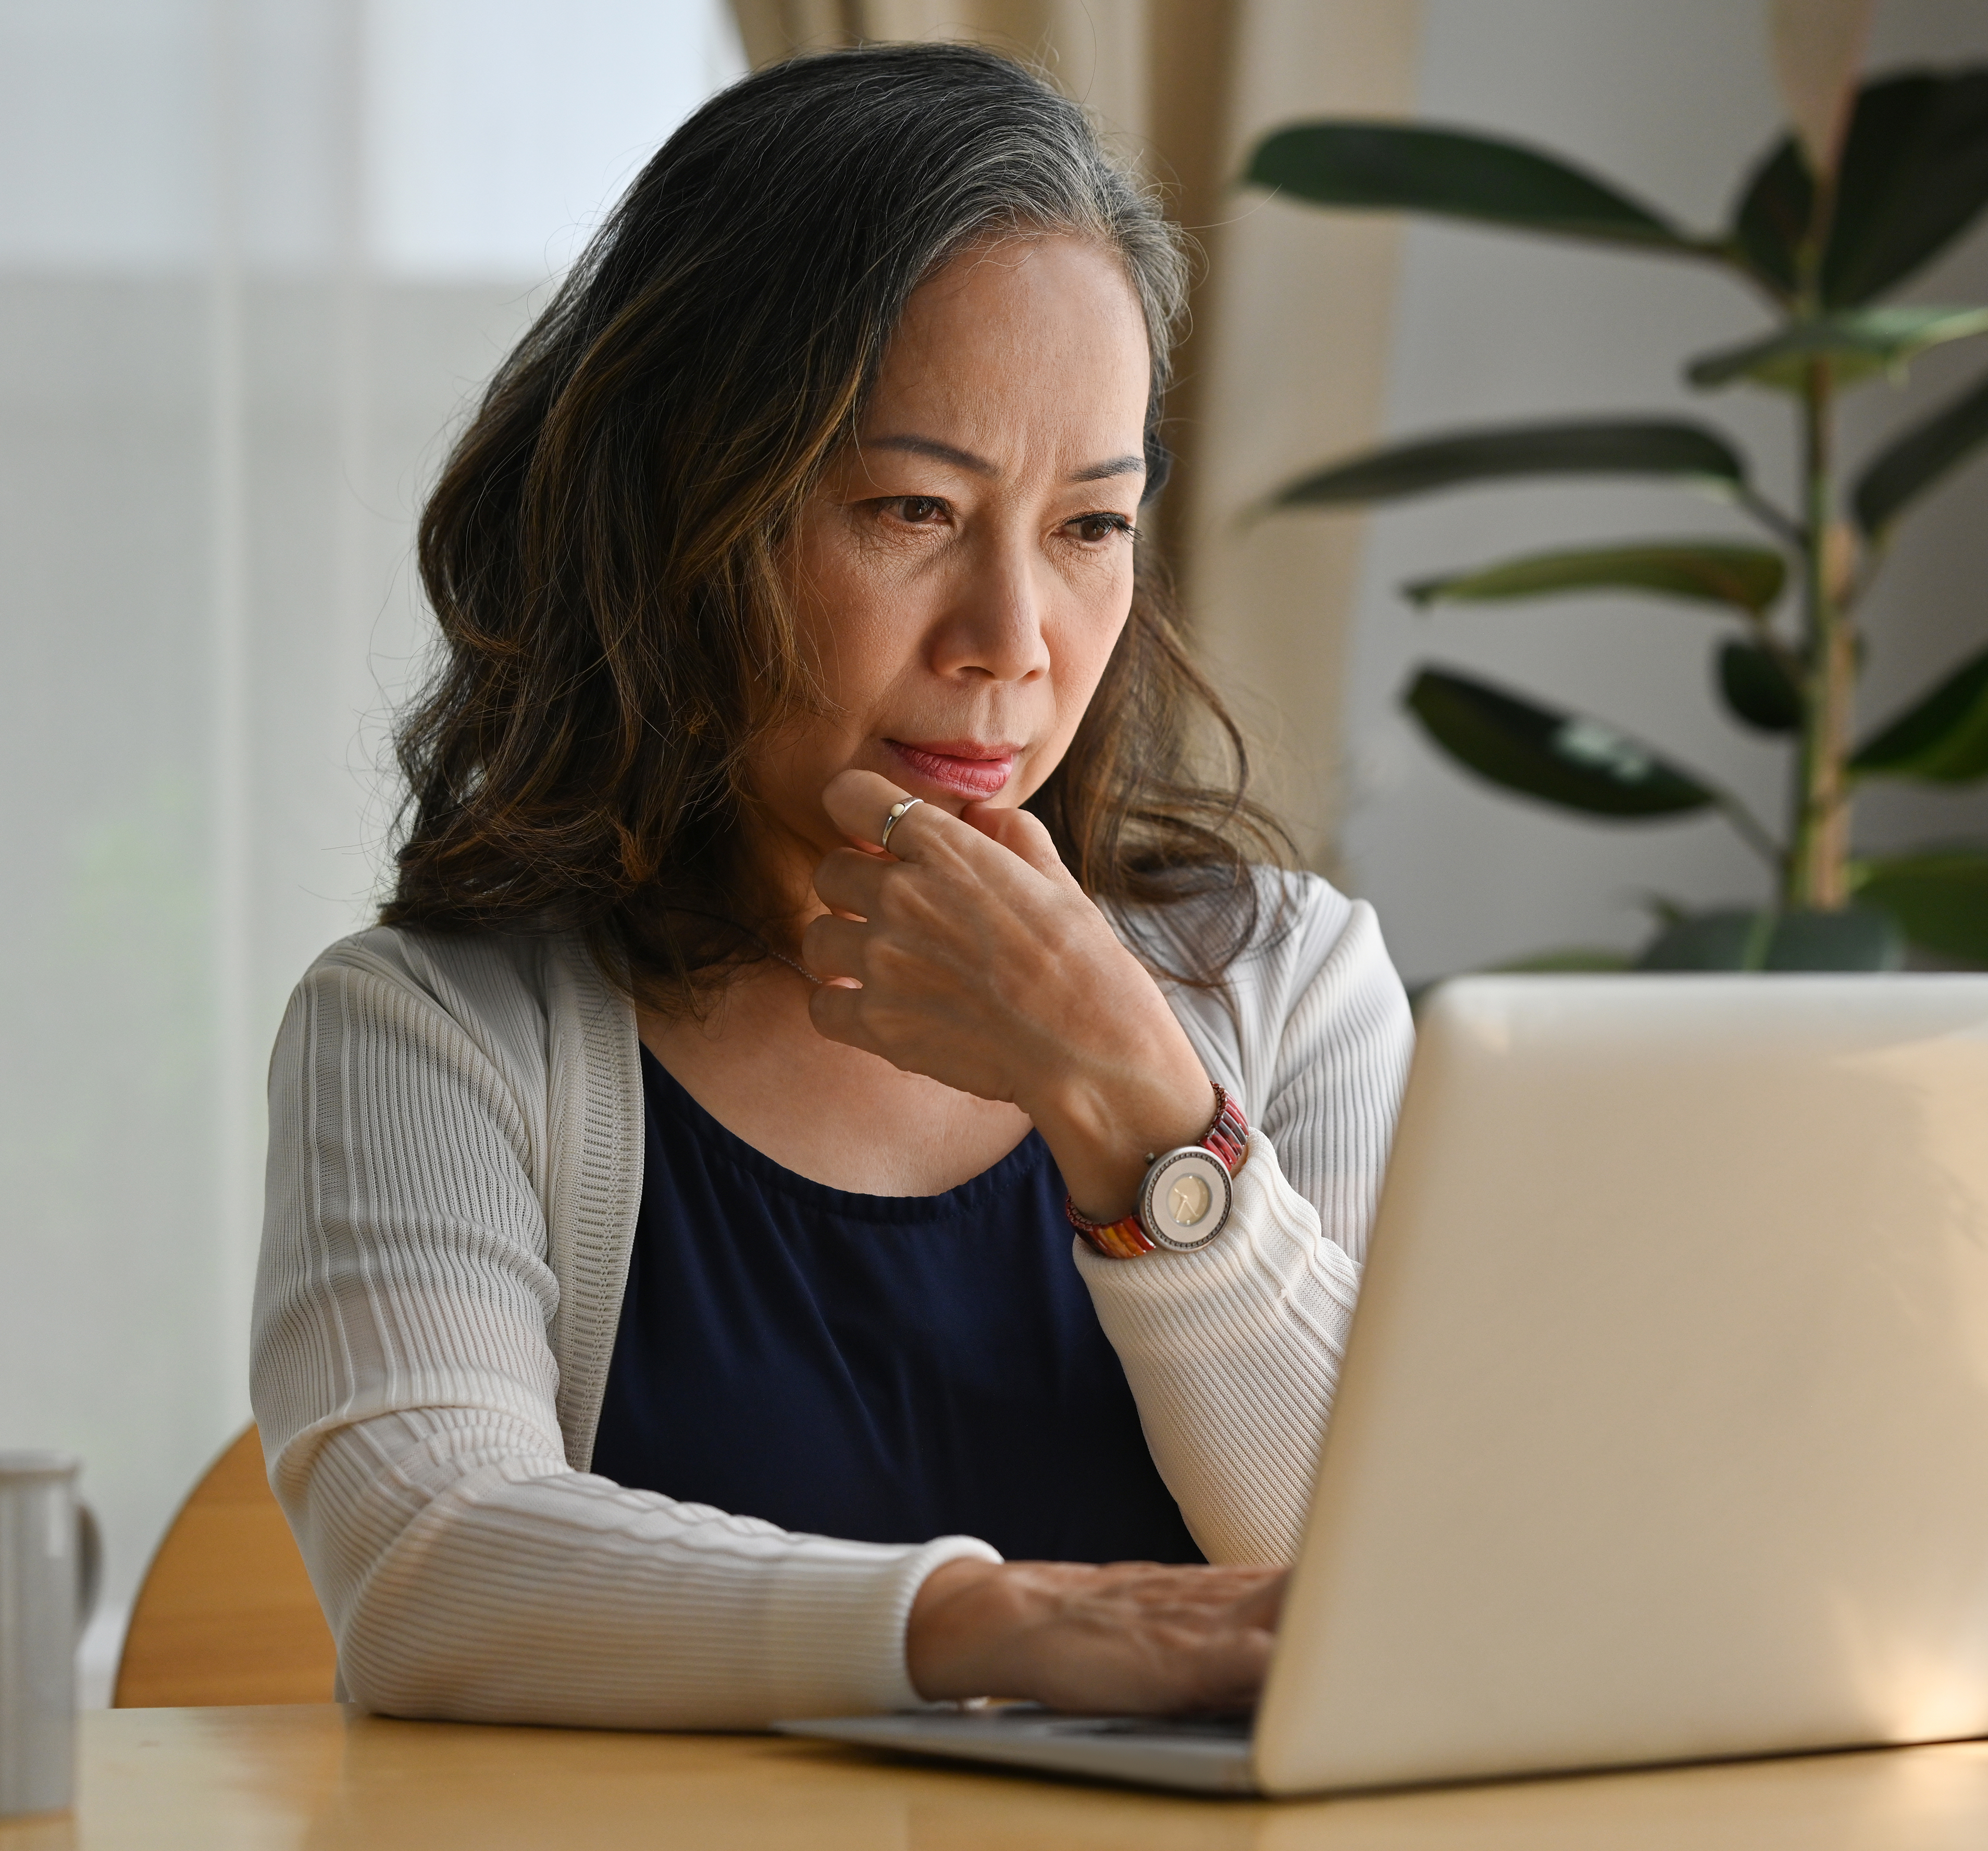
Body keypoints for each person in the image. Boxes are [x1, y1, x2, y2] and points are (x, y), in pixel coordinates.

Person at [249, 42, 1410, 1731]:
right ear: (683, 521)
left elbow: (1391, 1580)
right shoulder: (437, 1034)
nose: (1013, 644)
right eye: (912, 509)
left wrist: (1141, 1105)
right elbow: (429, 1566)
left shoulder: (1287, 984)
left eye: (1092, 526)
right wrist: (1007, 1626)